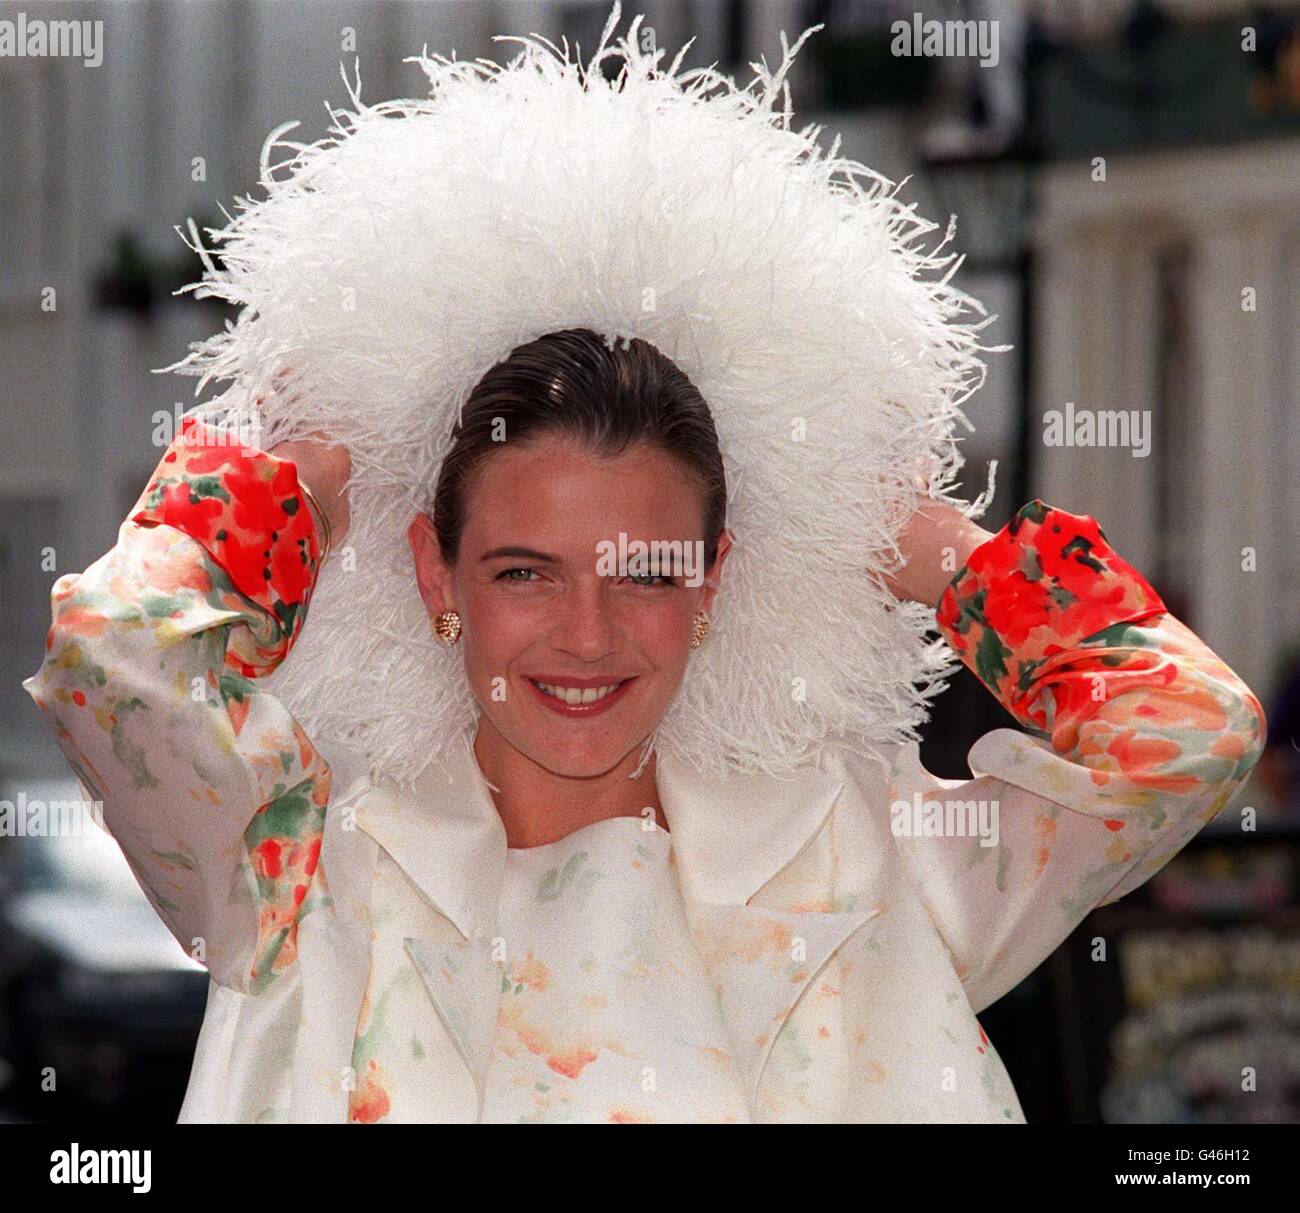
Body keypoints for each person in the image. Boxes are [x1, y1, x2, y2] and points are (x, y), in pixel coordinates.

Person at [23, 327, 1265, 1123]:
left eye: (648, 572)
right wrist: (282, 483)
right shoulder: (297, 871)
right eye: (524, 570)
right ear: (433, 574)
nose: (587, 632)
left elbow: (1188, 733)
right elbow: (114, 658)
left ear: (712, 583)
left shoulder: (863, 858)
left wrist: (939, 549)